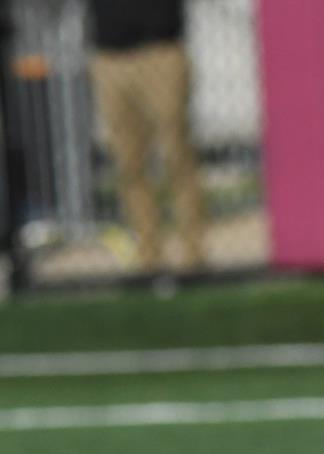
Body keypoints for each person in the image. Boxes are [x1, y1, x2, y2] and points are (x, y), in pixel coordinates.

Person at [88, 0, 204, 274]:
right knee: (128, 164)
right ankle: (149, 255)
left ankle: (194, 253)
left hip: (161, 48)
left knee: (177, 156)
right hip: (110, 56)